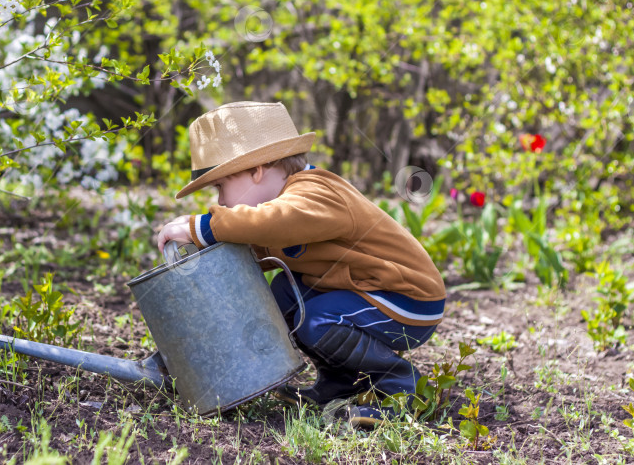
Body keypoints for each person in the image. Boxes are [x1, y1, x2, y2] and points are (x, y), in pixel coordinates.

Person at [156, 101, 445, 426]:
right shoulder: (277, 212)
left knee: (319, 320)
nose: (221, 202)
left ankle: (400, 390)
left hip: (408, 298)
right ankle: (339, 383)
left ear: (257, 170)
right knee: (282, 294)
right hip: (365, 290)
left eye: (221, 187)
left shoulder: (315, 192)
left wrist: (204, 228)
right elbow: (250, 253)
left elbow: (276, 220)